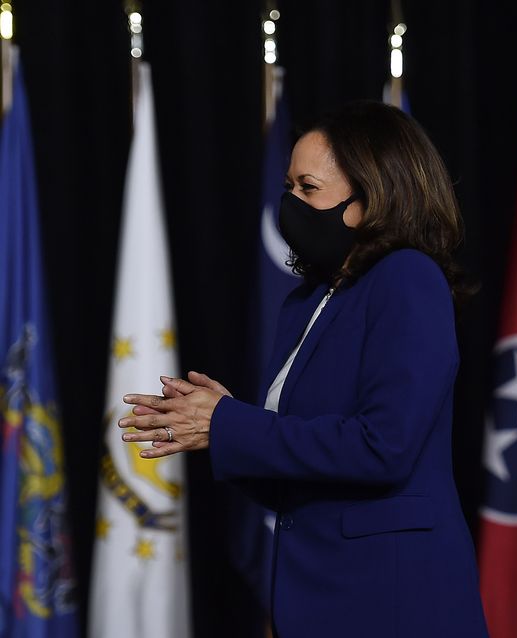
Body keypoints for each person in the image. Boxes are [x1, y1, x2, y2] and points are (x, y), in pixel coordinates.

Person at [118, 100, 489, 637]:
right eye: (288, 186)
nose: (289, 203)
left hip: (392, 603)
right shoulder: (307, 302)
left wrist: (229, 424)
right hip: (319, 600)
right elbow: (301, 476)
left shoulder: (408, 279)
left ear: (372, 198)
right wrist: (212, 426)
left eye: (308, 188)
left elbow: (382, 446)